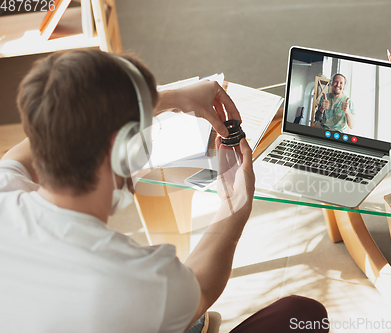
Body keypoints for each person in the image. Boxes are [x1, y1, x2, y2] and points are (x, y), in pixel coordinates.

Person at [0, 49, 328, 333]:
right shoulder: (133, 278)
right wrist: (234, 207)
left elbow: (23, 151)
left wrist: (171, 98)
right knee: (302, 315)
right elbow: (198, 291)